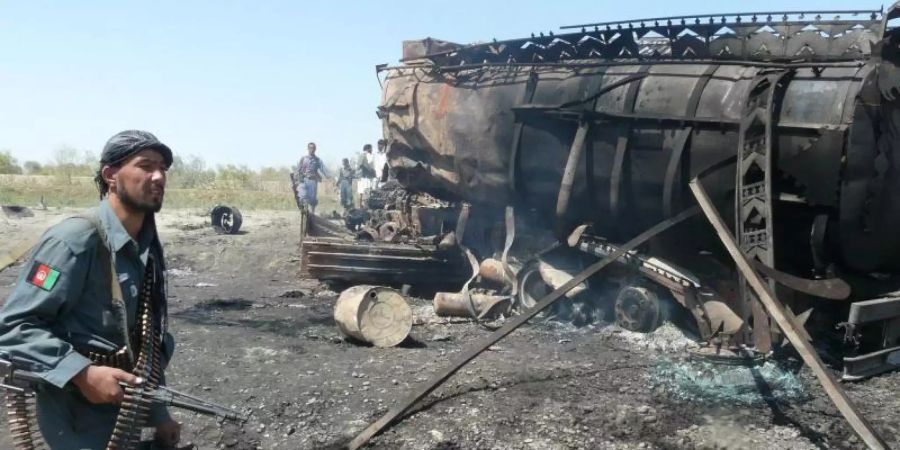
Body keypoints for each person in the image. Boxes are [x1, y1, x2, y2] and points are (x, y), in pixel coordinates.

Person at [0, 130, 182, 449]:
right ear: (111, 175)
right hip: (74, 418)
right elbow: (13, 328)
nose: (158, 176)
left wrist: (158, 412)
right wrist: (83, 373)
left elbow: (144, 341)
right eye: (145, 165)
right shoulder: (74, 241)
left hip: (126, 411)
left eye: (163, 168)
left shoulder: (145, 246)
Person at [296, 142, 329, 214]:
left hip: (312, 181)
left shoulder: (317, 160)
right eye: (310, 148)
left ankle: (312, 214)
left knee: (312, 199)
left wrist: (329, 176)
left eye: (313, 148)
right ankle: (304, 212)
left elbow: (324, 169)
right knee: (302, 196)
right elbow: (298, 170)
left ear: (315, 149)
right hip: (303, 180)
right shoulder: (303, 159)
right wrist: (296, 179)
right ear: (307, 149)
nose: (312, 149)